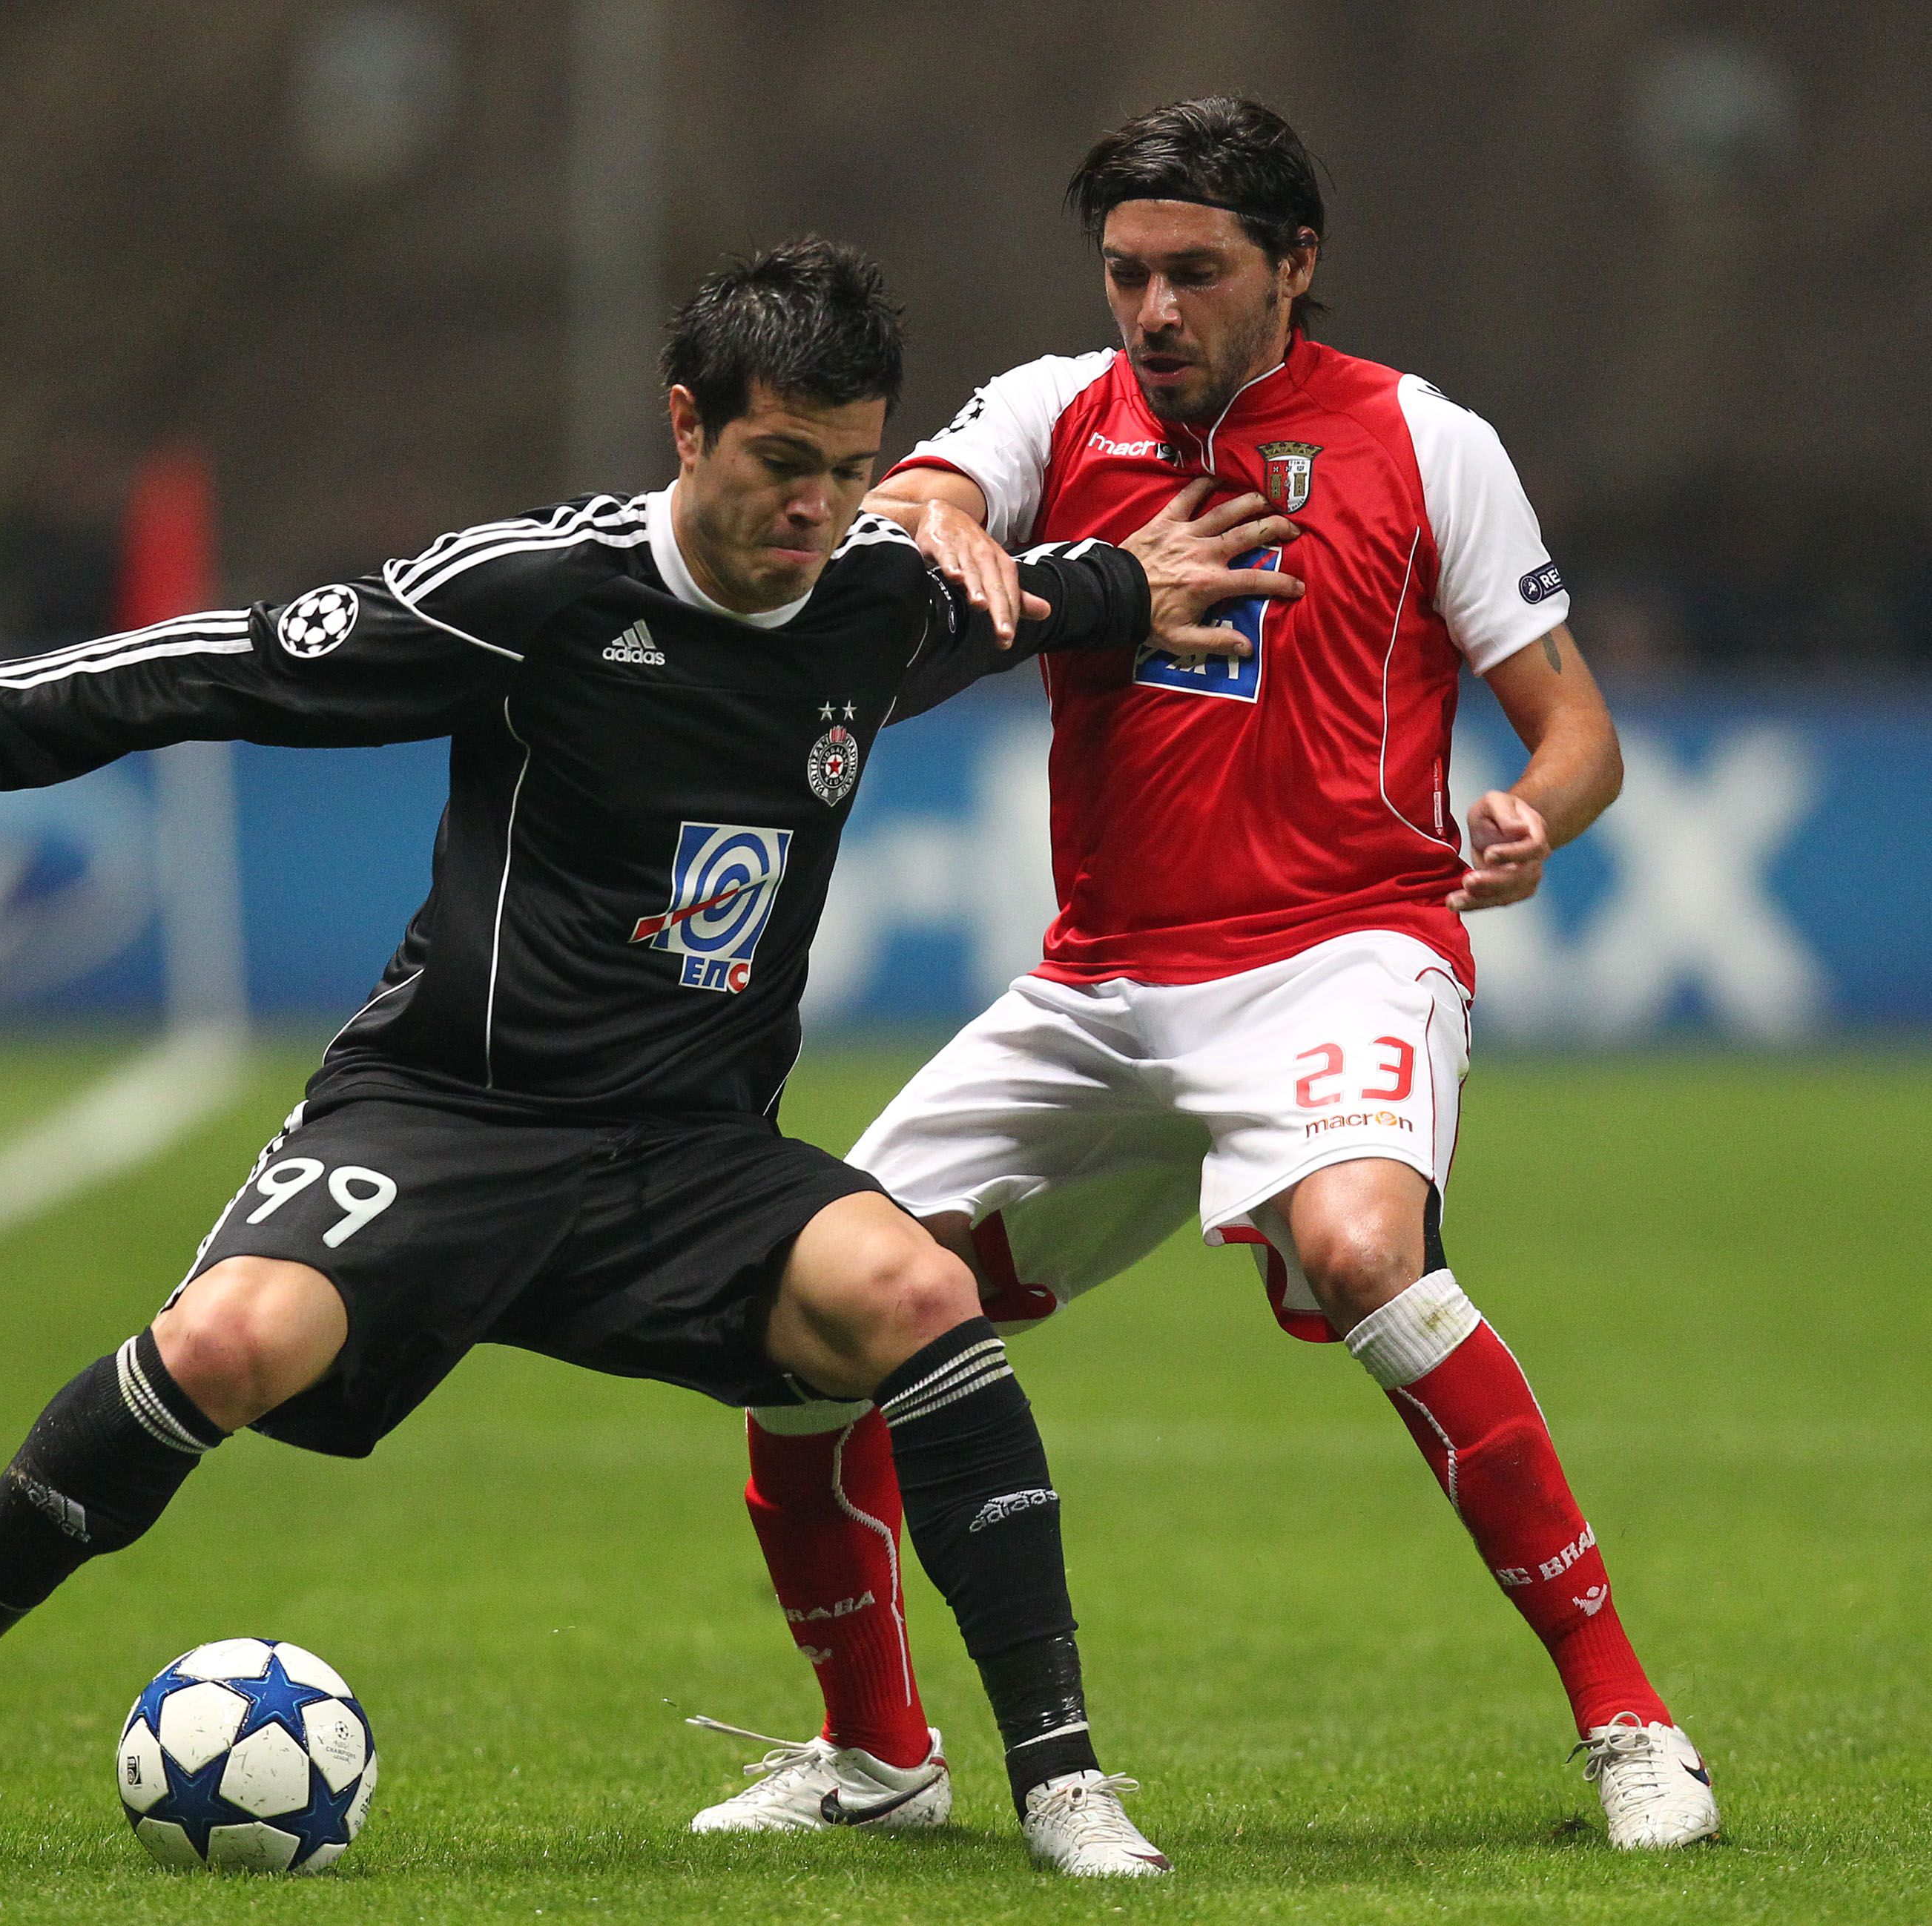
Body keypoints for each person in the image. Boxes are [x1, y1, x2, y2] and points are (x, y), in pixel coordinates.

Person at [0, 240, 1287, 1879]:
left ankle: (1061, 1784)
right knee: (224, 1344)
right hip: (448, 1116)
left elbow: (1039, 596)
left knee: (920, 1294)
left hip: (687, 1156)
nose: (817, 509)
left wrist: (1127, 579)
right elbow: (242, 662)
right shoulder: (534, 592)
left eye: (850, 471)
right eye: (781, 461)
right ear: (686, 425)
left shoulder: (879, 601)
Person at [692, 105, 1720, 1855]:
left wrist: (1532, 815)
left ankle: (1631, 1721)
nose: (1154, 310)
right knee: (805, 1320)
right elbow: (928, 490)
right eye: (1127, 274)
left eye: (1195, 272)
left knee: (1367, 1253)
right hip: (1100, 987)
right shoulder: (1056, 410)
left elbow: (1579, 733)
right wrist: (939, 517)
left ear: (1296, 266)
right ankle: (880, 1759)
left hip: (1344, 952)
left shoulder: (1427, 442)